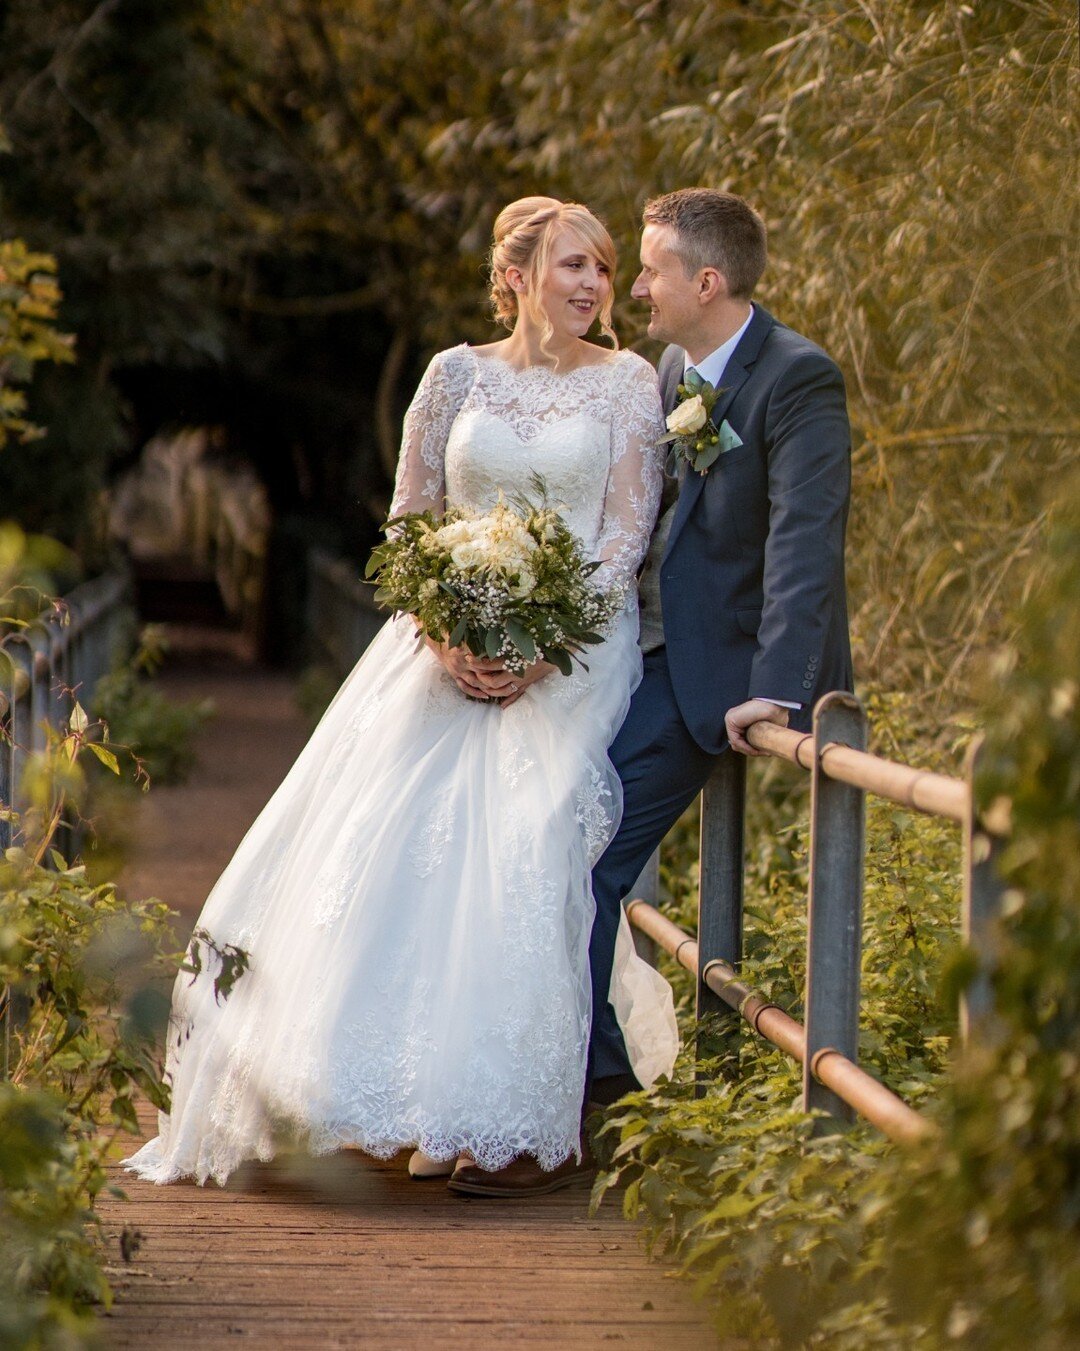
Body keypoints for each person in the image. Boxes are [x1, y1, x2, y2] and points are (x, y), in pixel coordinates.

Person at [123, 197, 678, 1196]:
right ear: (515, 278)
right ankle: (378, 1102)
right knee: (388, 839)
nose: (594, 287)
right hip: (441, 652)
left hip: (573, 657)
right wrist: (448, 631)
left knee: (527, 840)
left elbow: (622, 541)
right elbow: (411, 523)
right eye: (572, 267)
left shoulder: (630, 386)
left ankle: (507, 1126)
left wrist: (539, 652)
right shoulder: (452, 374)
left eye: (602, 269)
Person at [585, 188, 854, 1112]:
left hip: (714, 679)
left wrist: (775, 691)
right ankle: (595, 1087)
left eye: (652, 270)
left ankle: (601, 1099)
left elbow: (805, 544)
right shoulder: (669, 368)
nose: (637, 288)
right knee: (548, 837)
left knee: (581, 856)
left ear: (707, 279)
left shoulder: (798, 377)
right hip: (634, 659)